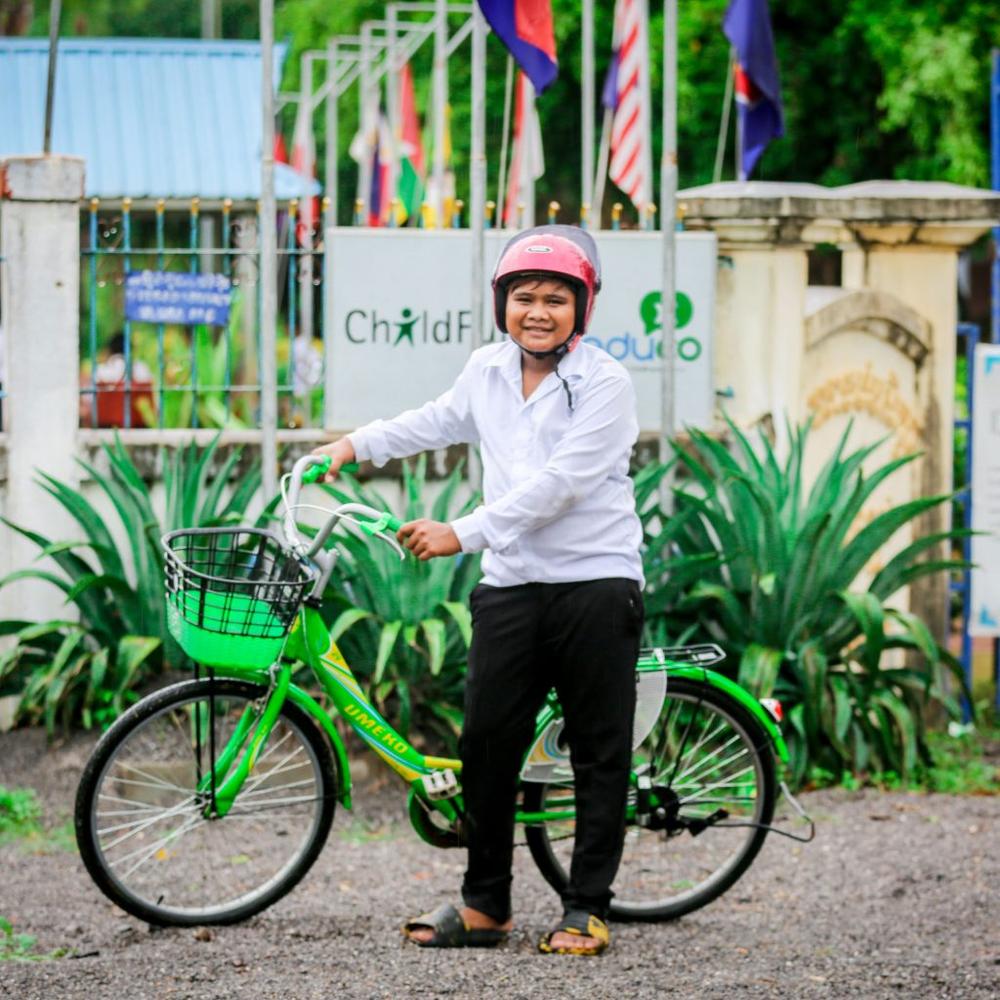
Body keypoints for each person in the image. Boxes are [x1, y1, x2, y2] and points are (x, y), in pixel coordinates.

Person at [313, 225, 644, 956]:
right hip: (511, 586)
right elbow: (432, 421)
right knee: (487, 745)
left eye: (555, 299)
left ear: (581, 308)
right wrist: (351, 446)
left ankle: (587, 907)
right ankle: (486, 905)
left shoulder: (605, 383)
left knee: (598, 753)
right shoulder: (487, 369)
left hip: (595, 582)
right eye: (524, 297)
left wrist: (460, 533)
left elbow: (561, 486)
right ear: (503, 304)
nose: (538, 312)